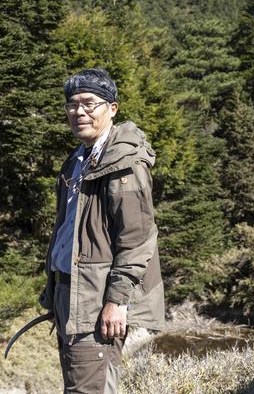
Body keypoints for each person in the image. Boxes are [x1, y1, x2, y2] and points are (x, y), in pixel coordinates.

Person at [39, 68, 165, 393]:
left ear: (112, 108)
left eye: (89, 103)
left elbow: (137, 240)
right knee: (79, 386)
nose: (78, 112)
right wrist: (54, 294)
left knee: (88, 389)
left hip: (97, 299)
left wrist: (117, 301)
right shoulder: (77, 160)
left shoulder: (125, 164)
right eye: (72, 104)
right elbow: (68, 232)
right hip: (71, 292)